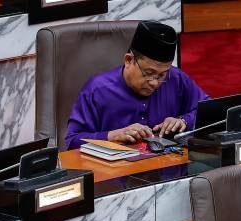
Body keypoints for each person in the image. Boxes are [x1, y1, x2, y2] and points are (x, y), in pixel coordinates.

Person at [64, 20, 209, 149]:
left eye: (161, 75)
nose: (155, 83)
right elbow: (72, 141)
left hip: (169, 166)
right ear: (128, 60)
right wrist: (111, 135)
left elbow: (210, 112)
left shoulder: (176, 78)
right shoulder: (97, 90)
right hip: (115, 170)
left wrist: (183, 121)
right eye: (148, 73)